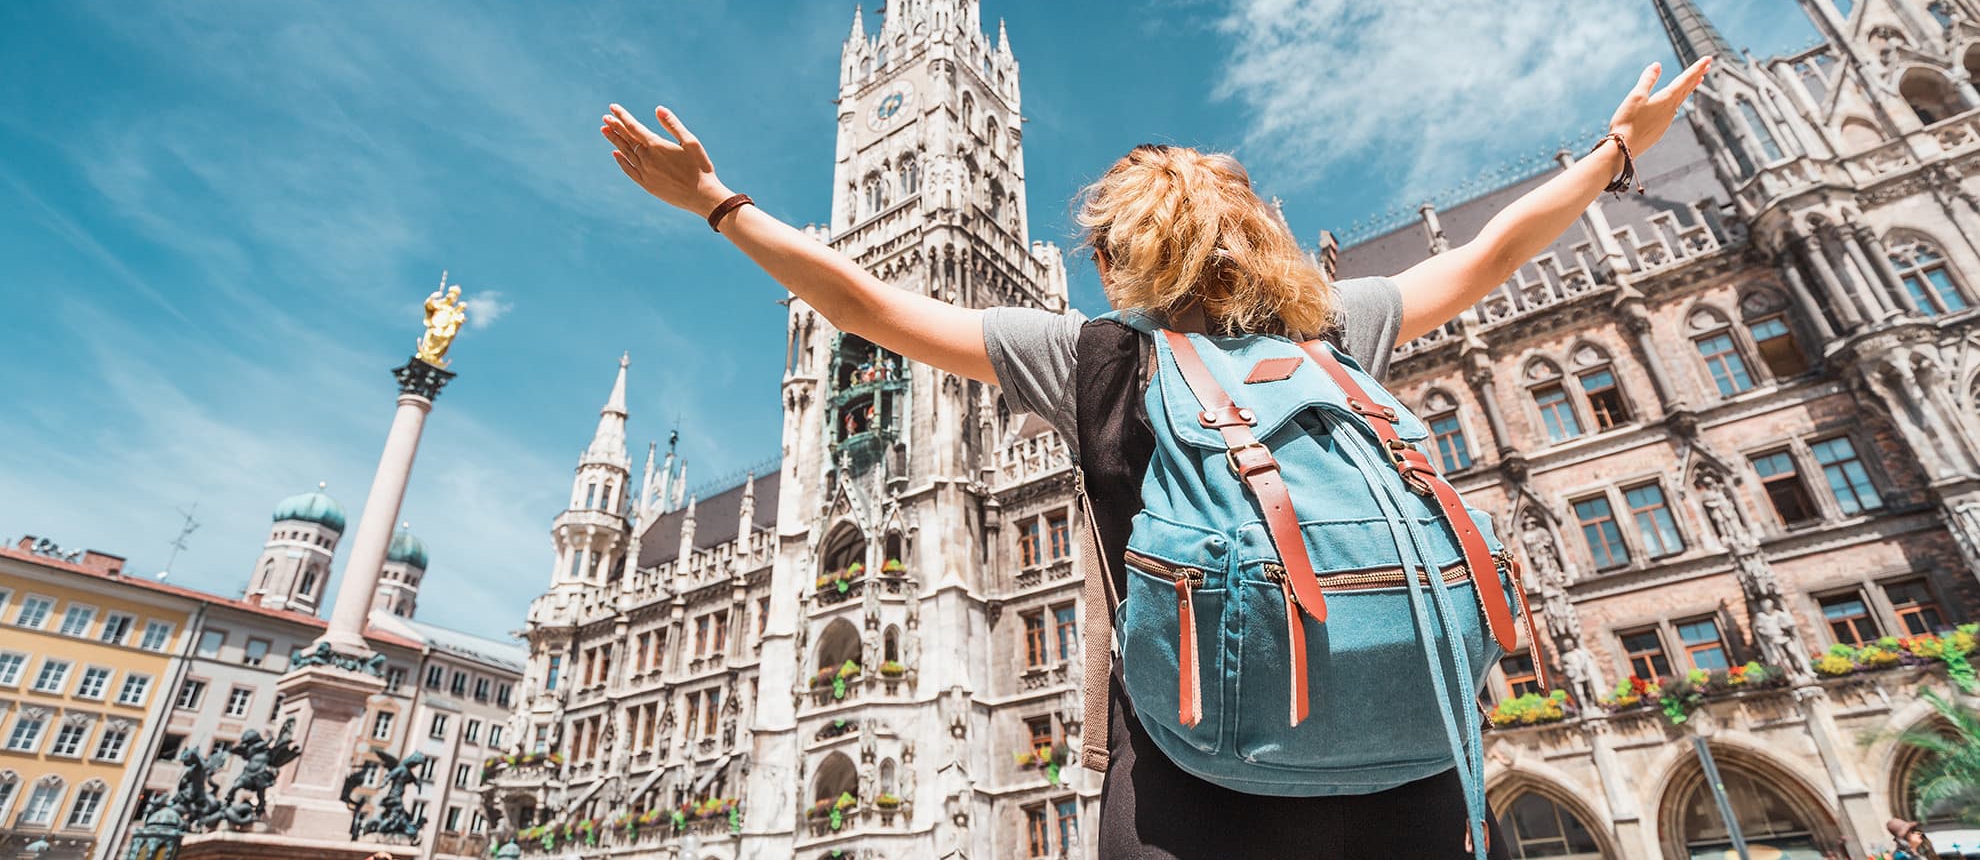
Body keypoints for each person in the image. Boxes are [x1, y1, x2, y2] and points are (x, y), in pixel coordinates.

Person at [596, 55, 1710, 859]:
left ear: (1118, 258)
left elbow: (873, 307)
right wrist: (1615, 152)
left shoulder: (1093, 358)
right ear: (1263, 235)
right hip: (1405, 767)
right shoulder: (1339, 330)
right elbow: (1492, 252)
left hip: (1195, 780)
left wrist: (715, 202)